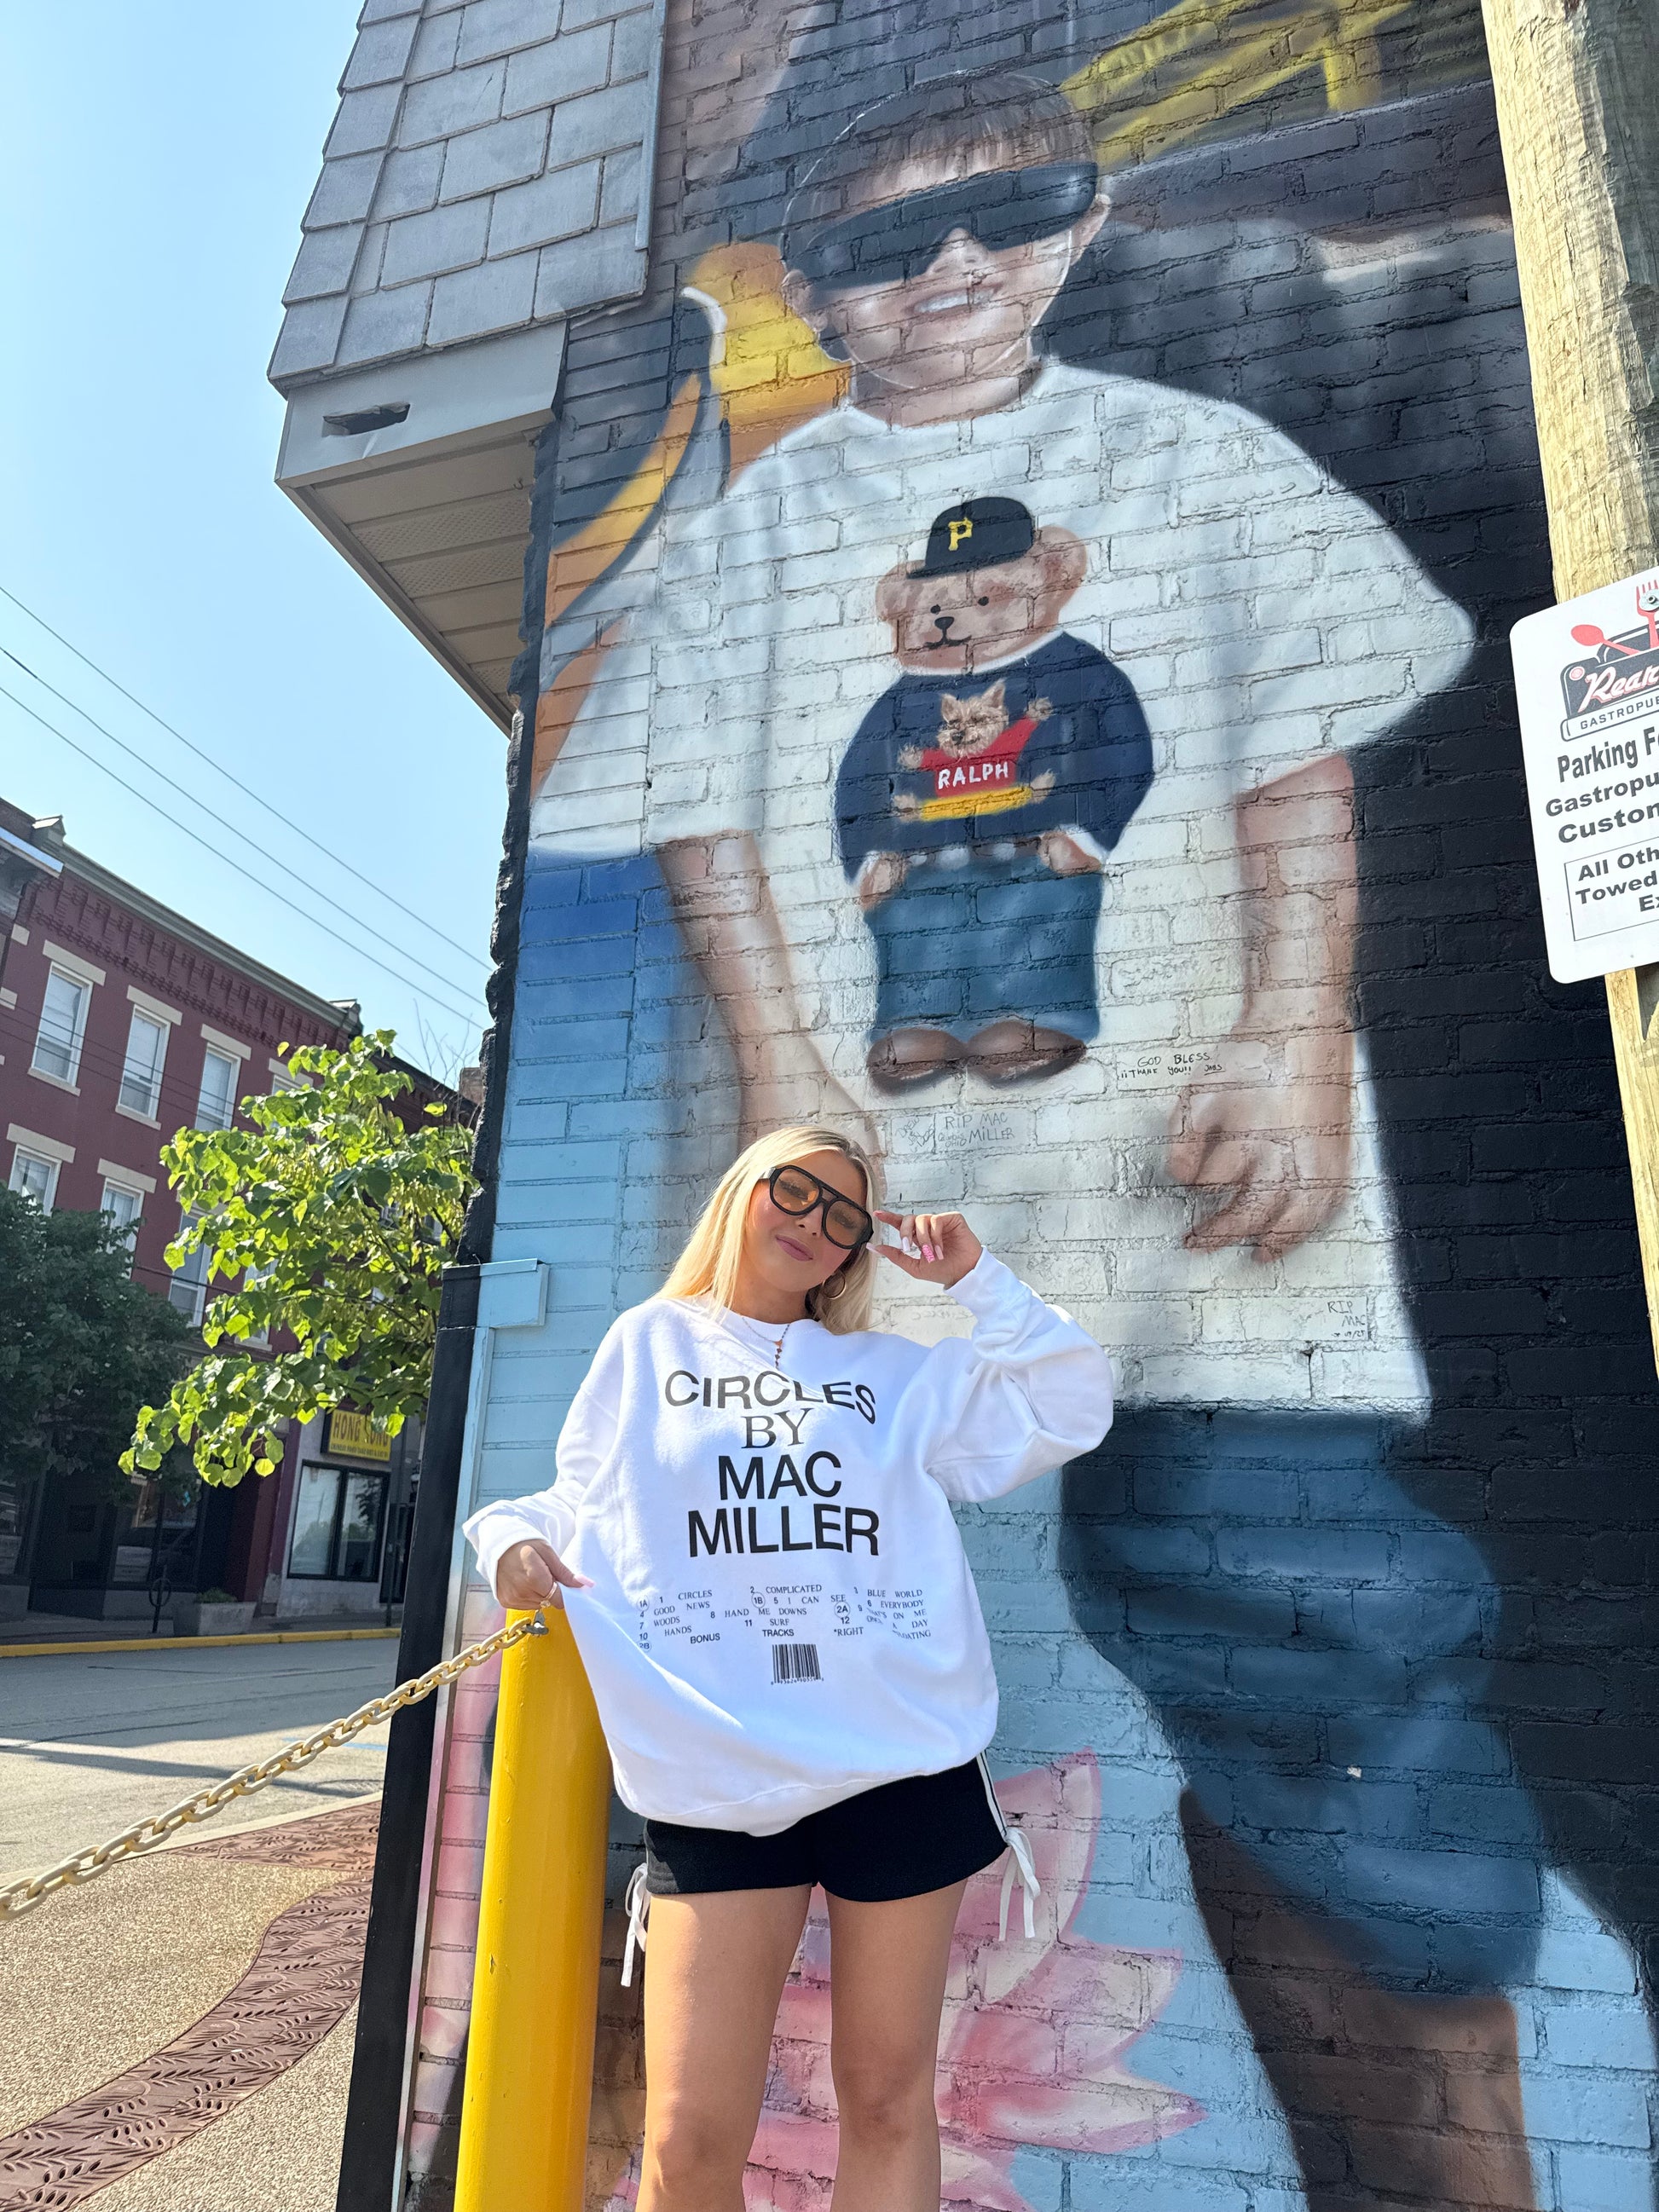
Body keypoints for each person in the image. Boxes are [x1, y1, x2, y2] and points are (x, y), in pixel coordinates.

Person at [464, 1126, 1114, 2212]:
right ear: (743, 1191)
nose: (814, 1223)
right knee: (687, 2137)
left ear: (856, 1249)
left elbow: (1069, 1404)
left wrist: (973, 1279)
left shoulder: (889, 1376)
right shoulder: (647, 1345)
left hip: (898, 1763)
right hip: (718, 1773)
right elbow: (577, 1502)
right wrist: (503, 1539)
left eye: (843, 1216)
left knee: (887, 2099)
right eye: (795, 1191)